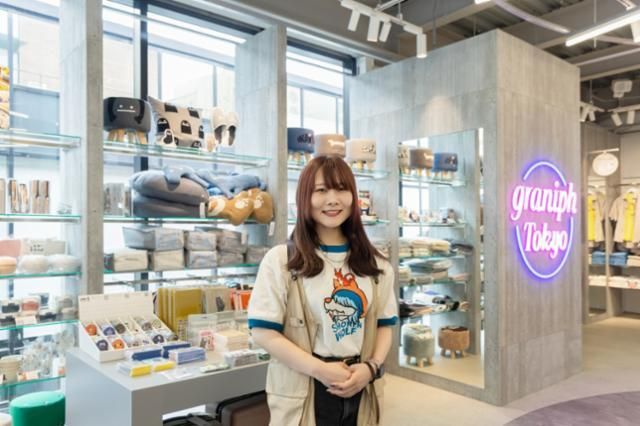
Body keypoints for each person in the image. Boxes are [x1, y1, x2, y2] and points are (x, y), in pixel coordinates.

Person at [248, 155, 398, 426]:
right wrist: (319, 370)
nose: (332, 200)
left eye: (341, 189)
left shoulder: (377, 265)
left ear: (353, 197)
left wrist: (371, 367)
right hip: (304, 386)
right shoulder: (281, 260)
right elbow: (263, 331)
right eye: (321, 190)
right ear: (305, 197)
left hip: (361, 384)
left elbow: (384, 325)